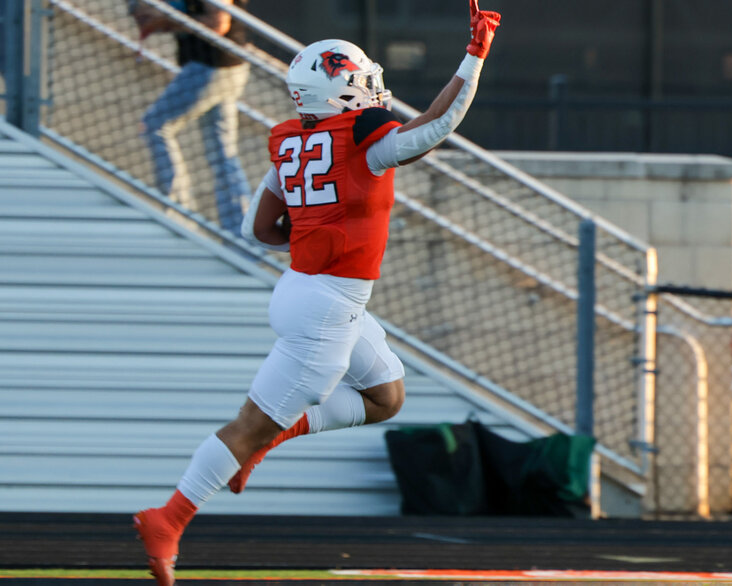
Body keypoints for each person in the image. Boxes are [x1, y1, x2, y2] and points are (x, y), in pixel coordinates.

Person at [133, 2, 501, 584]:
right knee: (249, 424)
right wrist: (474, 57)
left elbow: (261, 228)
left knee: (386, 397)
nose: (370, 89)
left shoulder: (288, 139)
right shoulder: (363, 138)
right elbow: (435, 126)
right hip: (325, 306)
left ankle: (261, 444)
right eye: (358, 82)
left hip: (310, 291)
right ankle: (169, 518)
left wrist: (315, 232)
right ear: (338, 92)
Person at [131, 0, 252, 234]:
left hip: (212, 66)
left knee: (155, 125)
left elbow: (218, 24)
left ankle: (178, 217)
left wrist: (169, 20)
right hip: (218, 65)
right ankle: (241, 234)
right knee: (222, 152)